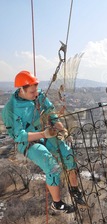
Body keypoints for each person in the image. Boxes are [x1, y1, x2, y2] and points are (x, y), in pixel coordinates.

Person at [2, 70, 85, 213]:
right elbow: (19, 136)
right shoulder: (11, 109)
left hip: (46, 134)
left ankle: (75, 190)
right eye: (32, 92)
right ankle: (57, 204)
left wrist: (61, 129)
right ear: (21, 89)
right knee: (51, 166)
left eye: (36, 91)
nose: (36, 95)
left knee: (68, 155)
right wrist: (43, 134)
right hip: (29, 143)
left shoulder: (39, 95)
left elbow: (51, 113)